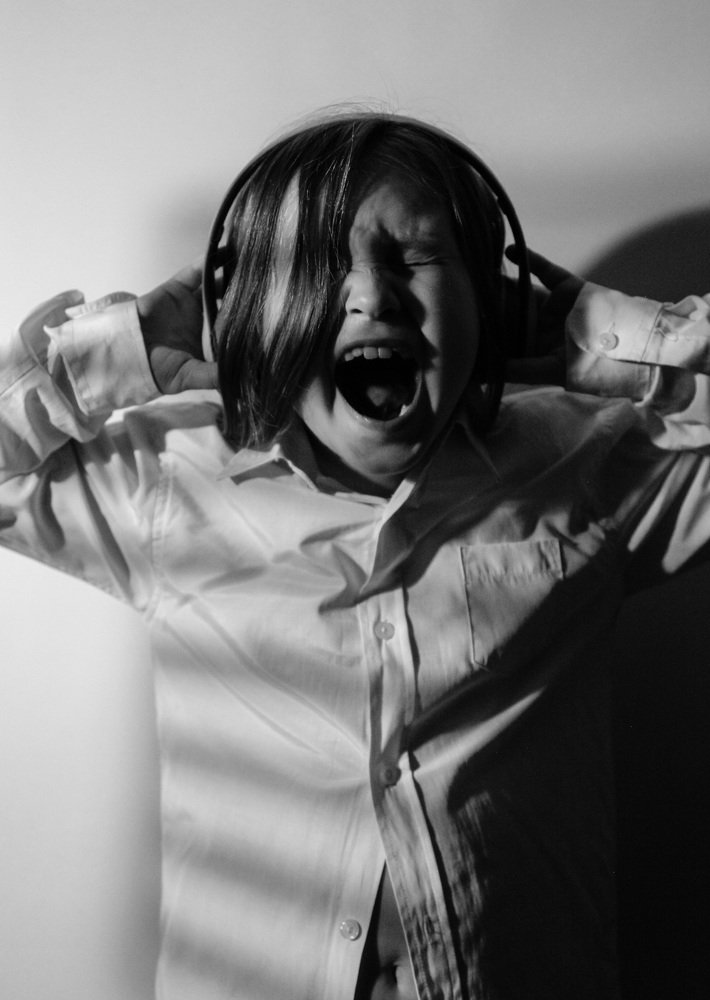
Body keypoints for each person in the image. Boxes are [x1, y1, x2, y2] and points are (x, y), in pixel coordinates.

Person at [2, 109, 710, 1000]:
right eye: (314, 264)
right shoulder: (170, 482)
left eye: (416, 256)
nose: (372, 297)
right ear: (247, 314)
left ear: (490, 306)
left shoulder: (584, 464)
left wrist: (608, 343)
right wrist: (125, 350)